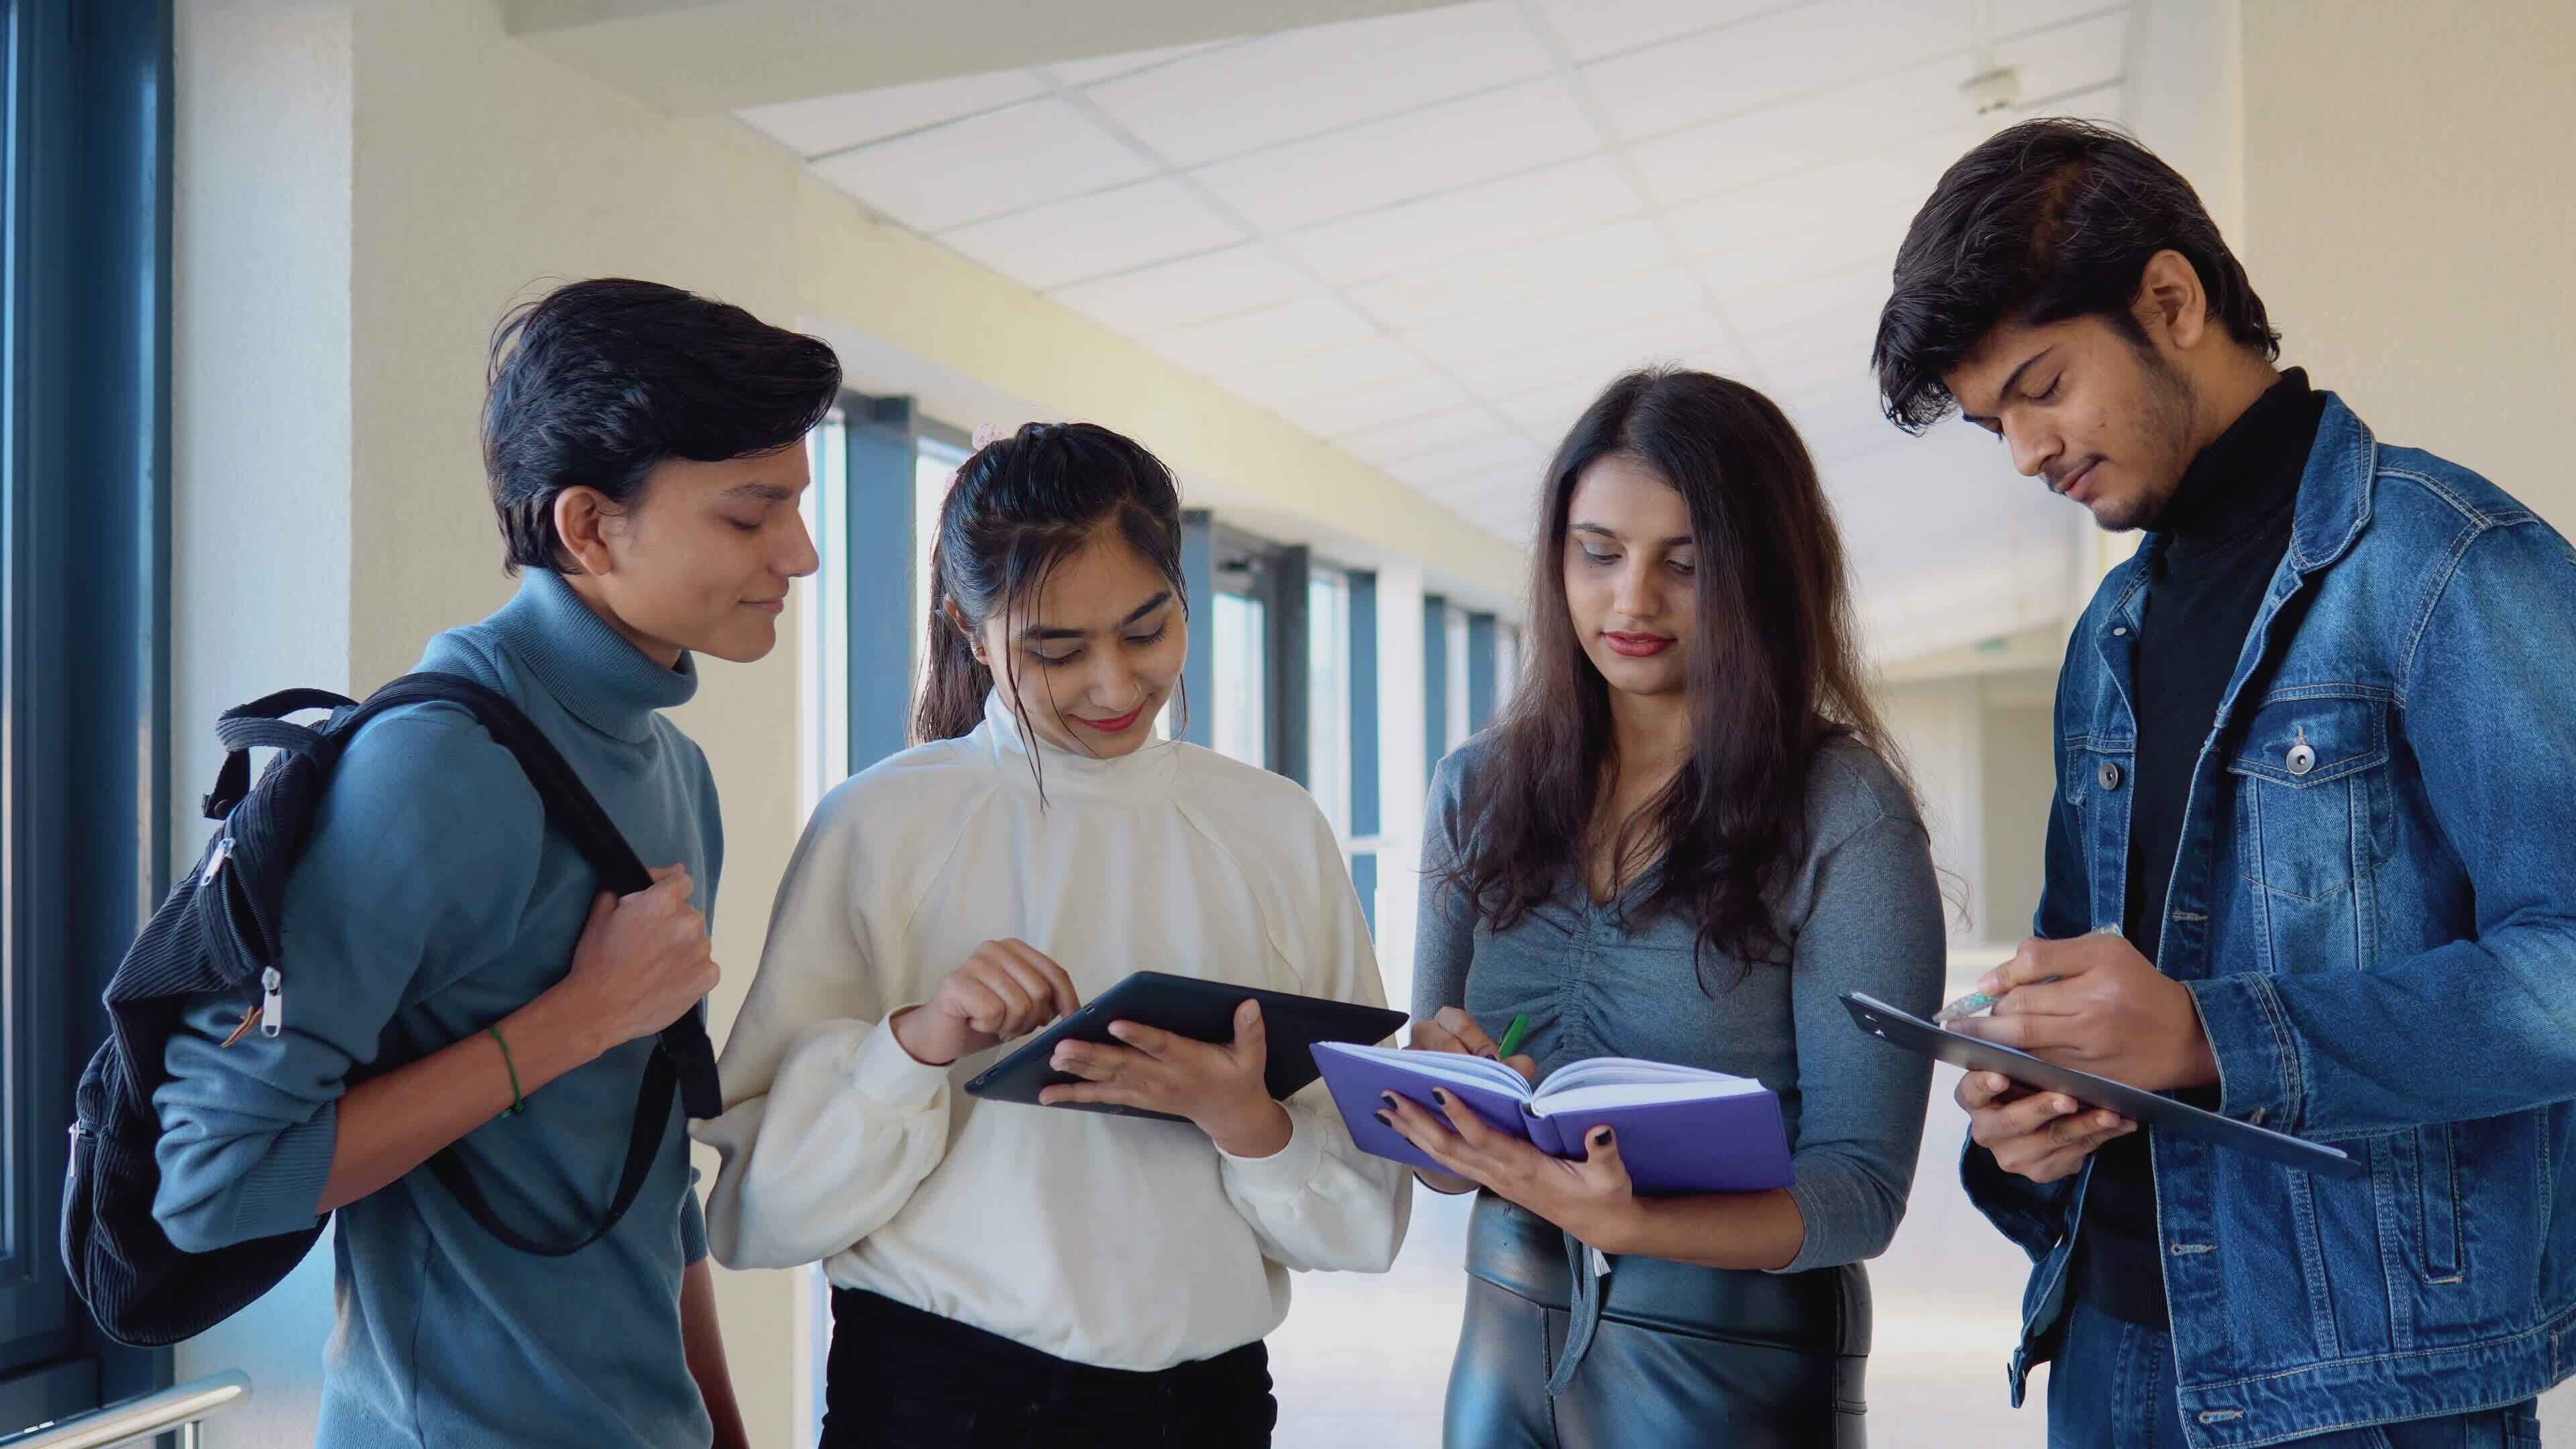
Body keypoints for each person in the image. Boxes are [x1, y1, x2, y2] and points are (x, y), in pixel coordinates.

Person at [1874, 117, 2576, 1446]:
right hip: (2111, 1351)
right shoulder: (2109, 635)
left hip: (2370, 1391)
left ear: (2173, 300)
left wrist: (2215, 1036)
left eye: (2042, 385)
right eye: (1992, 424)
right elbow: (2084, 973)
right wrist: (2028, 1098)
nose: (2025, 451)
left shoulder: (2448, 565)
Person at [150, 278, 841, 1446]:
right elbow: (213, 1185)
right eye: (748, 514)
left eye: (796, 507)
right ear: (588, 524)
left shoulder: (673, 769)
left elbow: (650, 1171)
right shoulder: (431, 771)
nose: (803, 554)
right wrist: (580, 1019)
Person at [694, 421, 1409, 1448]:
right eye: (1055, 649)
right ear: (968, 628)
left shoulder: (1275, 828)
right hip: (942, 1403)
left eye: (1148, 630)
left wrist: (1246, 1121)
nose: (1114, 686)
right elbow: (760, 1216)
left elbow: (1363, 1223)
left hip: (1205, 1409)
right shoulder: (882, 825)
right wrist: (917, 1044)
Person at [1380, 368, 1945, 1448]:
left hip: (1730, 1359)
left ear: (1764, 577)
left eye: (1685, 566)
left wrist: (1635, 1222)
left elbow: (1861, 1189)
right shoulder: (1475, 789)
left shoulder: (1842, 808)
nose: (1632, 601)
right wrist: (1440, 1103)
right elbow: (1434, 1164)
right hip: (1504, 1336)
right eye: (1599, 554)